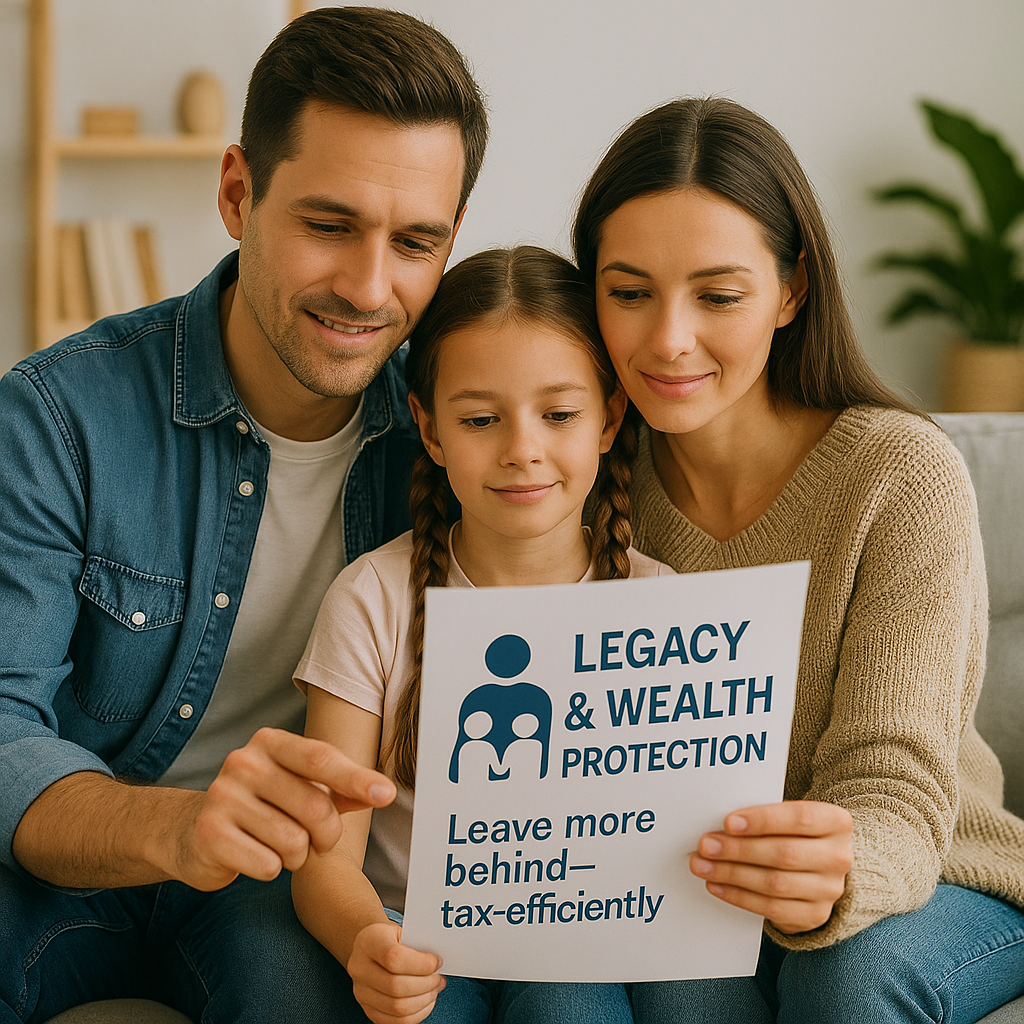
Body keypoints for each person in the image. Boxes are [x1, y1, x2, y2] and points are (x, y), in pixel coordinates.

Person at [0, 9, 487, 1022]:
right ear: (236, 193)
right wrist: (179, 827)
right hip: (66, 860)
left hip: (281, 884)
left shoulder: (456, 441)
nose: (368, 286)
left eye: (415, 242)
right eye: (328, 225)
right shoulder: (56, 416)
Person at [569, 96, 1024, 1023]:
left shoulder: (899, 474)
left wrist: (839, 873)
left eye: (718, 295)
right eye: (629, 292)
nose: (668, 338)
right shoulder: (581, 477)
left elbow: (893, 782)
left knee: (845, 977)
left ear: (791, 289)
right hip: (695, 883)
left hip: (937, 872)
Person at [291, 245, 671, 1024]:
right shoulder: (371, 600)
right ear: (430, 431)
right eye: (479, 420)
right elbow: (328, 860)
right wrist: (369, 941)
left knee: (572, 1003)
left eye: (558, 415)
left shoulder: (662, 606)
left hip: (581, 937)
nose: (522, 449)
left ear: (609, 419)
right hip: (417, 936)